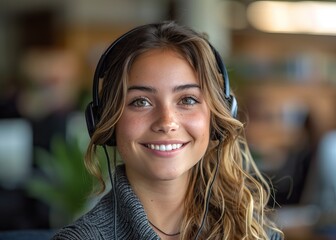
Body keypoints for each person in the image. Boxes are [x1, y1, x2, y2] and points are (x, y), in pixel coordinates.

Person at [52, 21, 283, 240]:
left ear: (217, 117)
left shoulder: (253, 232)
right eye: (141, 101)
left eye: (188, 100)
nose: (167, 121)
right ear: (107, 120)